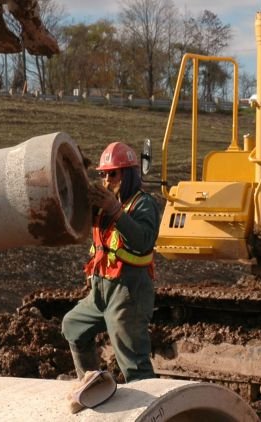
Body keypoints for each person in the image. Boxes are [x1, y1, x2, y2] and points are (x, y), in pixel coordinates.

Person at [62, 141, 162, 383]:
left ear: (128, 174)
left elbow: (143, 241)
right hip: (101, 291)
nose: (107, 180)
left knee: (133, 361)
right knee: (73, 326)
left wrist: (115, 210)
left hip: (129, 293)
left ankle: (150, 402)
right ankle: (93, 385)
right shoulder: (103, 205)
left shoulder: (142, 203)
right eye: (103, 174)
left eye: (113, 174)